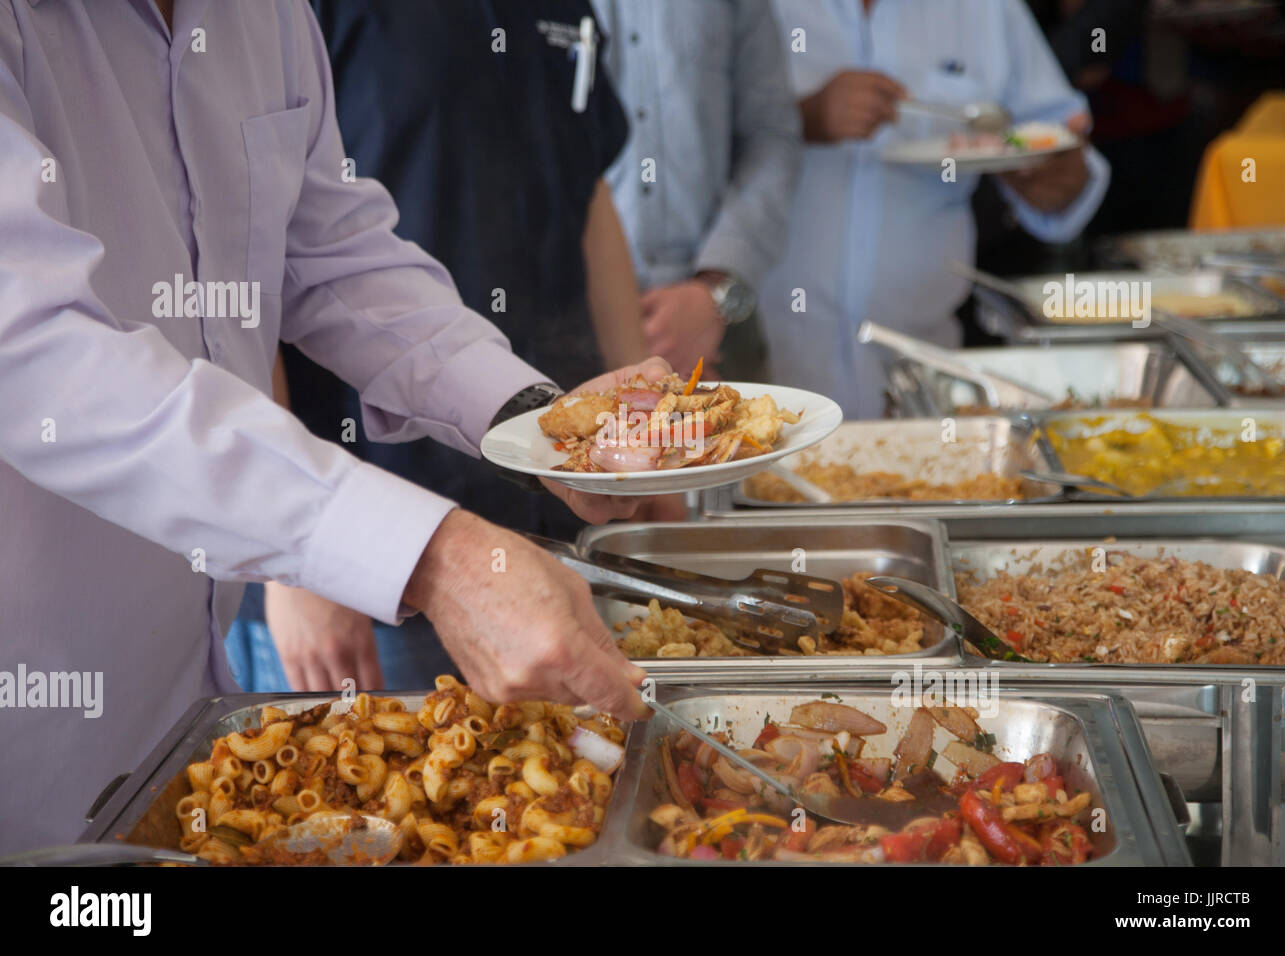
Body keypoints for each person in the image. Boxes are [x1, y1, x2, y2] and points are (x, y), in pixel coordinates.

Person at [0, 0, 649, 853]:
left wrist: (535, 423)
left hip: (185, 706)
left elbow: (331, 253)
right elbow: (37, 354)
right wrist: (431, 558)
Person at [226, 0, 651, 694]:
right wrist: (300, 555)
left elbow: (587, 192)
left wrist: (595, 437)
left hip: (546, 523)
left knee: (557, 790)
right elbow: (257, 266)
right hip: (366, 549)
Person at [759, 0, 1112, 419]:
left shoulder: (986, 10)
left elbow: (1059, 145)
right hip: (758, 383)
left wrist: (1057, 177)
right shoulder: (749, 9)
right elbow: (679, 158)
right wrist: (803, 118)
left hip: (925, 388)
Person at [589, 0, 802, 381]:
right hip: (573, 323)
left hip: (713, 323)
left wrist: (713, 290)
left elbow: (771, 134)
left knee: (762, 436)